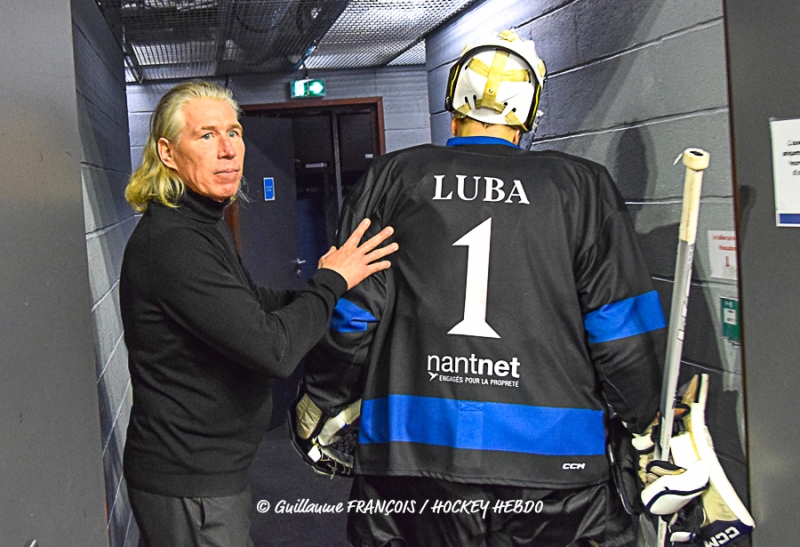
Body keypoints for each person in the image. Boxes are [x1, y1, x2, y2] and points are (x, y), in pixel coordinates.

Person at [296, 30, 666, 546]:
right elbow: (621, 331)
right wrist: (643, 421)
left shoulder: (394, 178)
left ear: (454, 108)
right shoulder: (582, 187)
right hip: (557, 467)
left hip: (411, 457)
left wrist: (322, 399)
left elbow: (352, 316)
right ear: (530, 116)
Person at [119, 80, 397, 547]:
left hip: (205, 473)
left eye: (234, 132)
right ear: (168, 153)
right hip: (193, 483)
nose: (228, 150)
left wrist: (329, 295)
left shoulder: (202, 222)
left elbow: (252, 302)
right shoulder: (175, 243)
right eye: (206, 135)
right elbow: (274, 350)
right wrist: (332, 283)